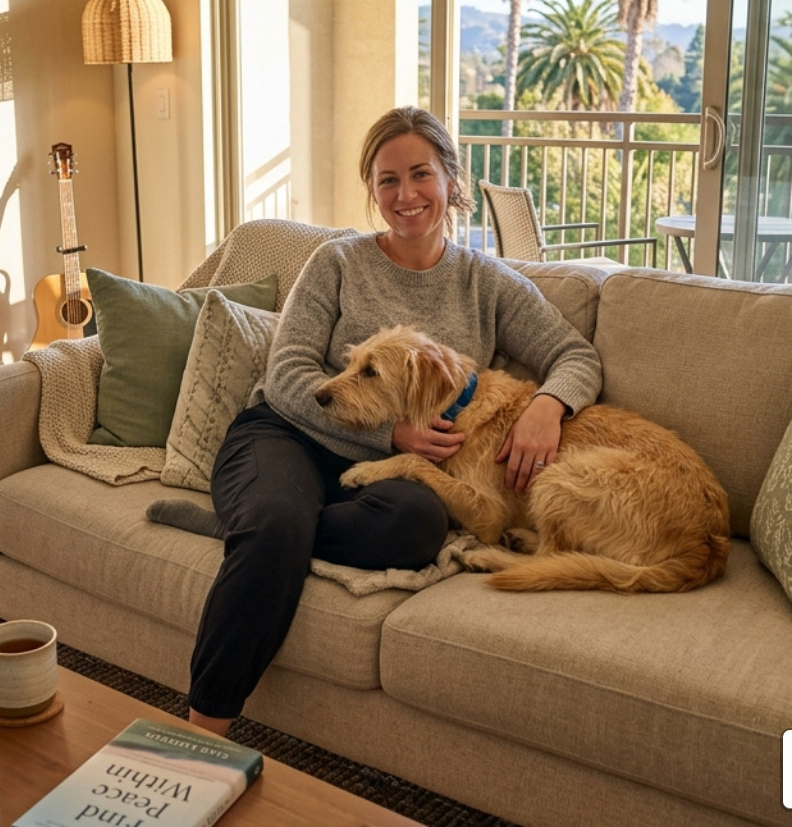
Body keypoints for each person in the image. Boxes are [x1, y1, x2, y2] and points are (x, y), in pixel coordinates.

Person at [187, 105, 603, 735]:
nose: (405, 195)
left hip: (391, 480)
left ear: (450, 182)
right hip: (291, 433)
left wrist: (550, 404)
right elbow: (288, 374)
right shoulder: (338, 262)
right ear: (374, 191)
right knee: (275, 521)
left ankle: (266, 529)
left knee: (416, 526)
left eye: (420, 175)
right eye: (387, 180)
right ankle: (198, 737)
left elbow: (575, 354)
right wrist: (392, 435)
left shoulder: (488, 282)